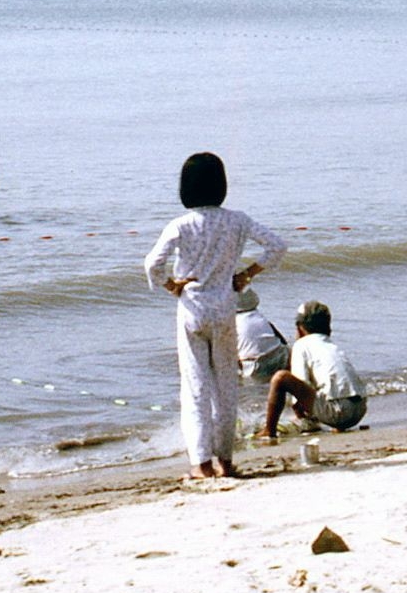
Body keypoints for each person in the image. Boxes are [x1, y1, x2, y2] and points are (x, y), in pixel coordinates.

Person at [144, 153, 287, 479]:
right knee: (226, 388)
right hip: (224, 310)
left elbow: (153, 264)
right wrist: (246, 274)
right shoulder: (237, 221)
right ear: (221, 185)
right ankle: (225, 460)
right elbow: (277, 246)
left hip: (193, 311)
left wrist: (171, 285)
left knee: (195, 388)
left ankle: (201, 463)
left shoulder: (181, 225)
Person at [261, 301, 368, 439]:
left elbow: (300, 386)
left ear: (300, 329)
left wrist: (301, 416)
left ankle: (269, 430)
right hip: (360, 409)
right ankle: (336, 423)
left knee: (280, 378)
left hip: (338, 413)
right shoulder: (331, 345)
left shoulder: (301, 345)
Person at [235, 285, 291, 380]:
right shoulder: (258, 316)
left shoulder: (231, 322)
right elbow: (280, 337)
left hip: (255, 365)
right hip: (278, 355)